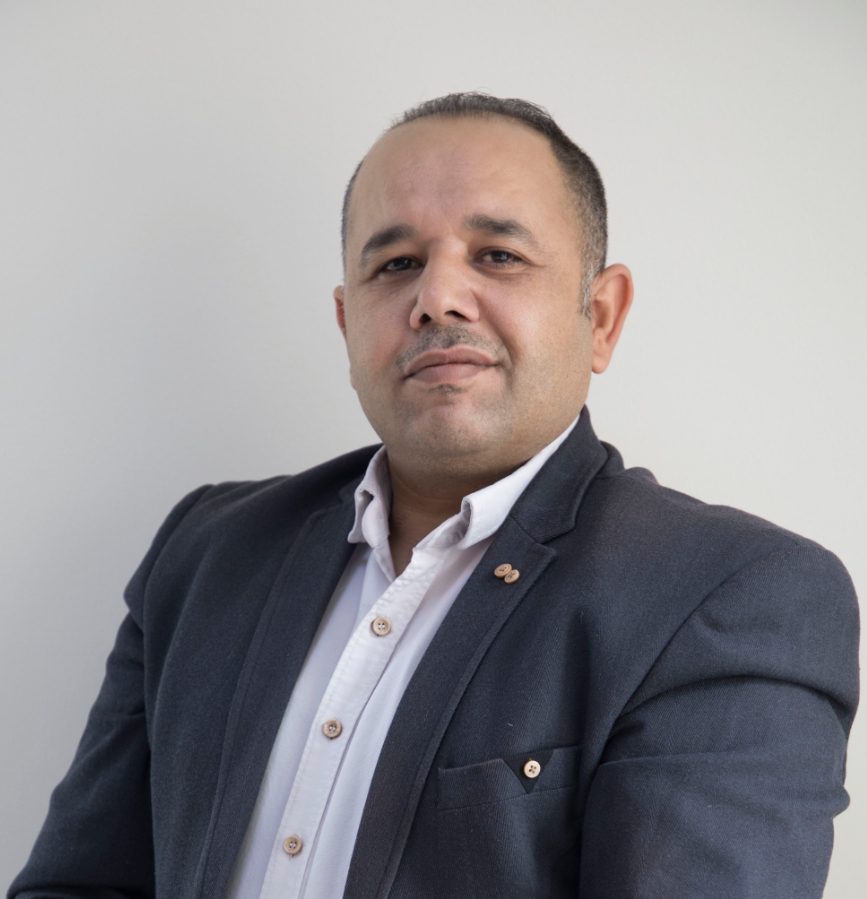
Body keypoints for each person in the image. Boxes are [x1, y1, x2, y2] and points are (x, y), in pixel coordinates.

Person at [10, 93, 859, 899]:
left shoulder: (729, 597)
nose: (436, 298)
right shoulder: (209, 551)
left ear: (600, 316)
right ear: (347, 324)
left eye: (497, 255)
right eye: (396, 264)